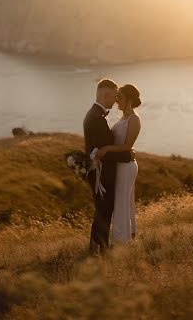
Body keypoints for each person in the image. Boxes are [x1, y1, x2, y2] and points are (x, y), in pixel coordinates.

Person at [83, 78, 135, 255]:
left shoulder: (94, 115)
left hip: (101, 172)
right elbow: (105, 152)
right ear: (105, 95)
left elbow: (105, 148)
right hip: (102, 174)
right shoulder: (97, 118)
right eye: (114, 96)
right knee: (104, 210)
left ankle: (96, 247)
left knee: (102, 210)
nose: (116, 100)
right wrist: (128, 155)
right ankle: (100, 249)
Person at [95, 83, 141, 244]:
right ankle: (129, 235)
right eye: (116, 97)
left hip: (127, 167)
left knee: (121, 201)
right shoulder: (123, 118)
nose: (116, 100)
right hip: (121, 165)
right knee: (125, 201)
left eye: (119, 97)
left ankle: (120, 241)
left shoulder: (134, 119)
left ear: (129, 99)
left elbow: (127, 146)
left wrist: (107, 148)